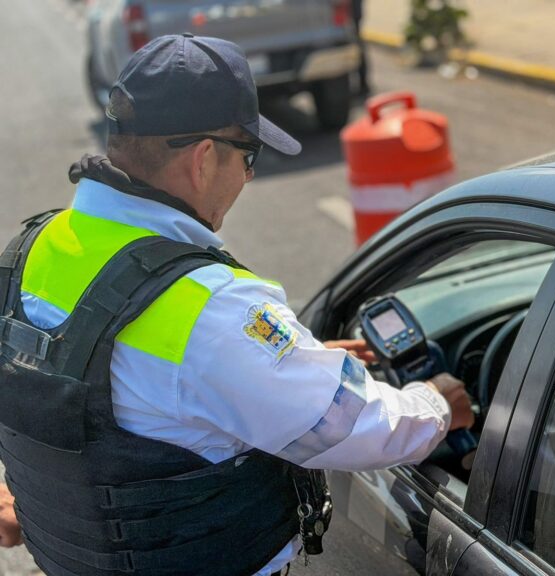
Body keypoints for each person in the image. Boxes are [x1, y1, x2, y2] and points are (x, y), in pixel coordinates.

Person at [0, 34, 473, 576]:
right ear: (204, 159)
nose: (248, 176)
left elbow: (61, 388)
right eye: (249, 157)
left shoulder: (32, 247)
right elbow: (350, 427)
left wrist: (287, 363)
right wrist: (437, 403)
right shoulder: (213, 308)